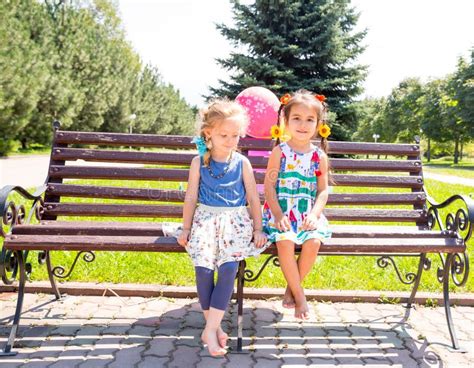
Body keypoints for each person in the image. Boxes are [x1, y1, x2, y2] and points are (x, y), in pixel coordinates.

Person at [177, 99, 268, 356]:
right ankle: (213, 328)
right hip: (205, 221)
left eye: (235, 135)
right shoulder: (199, 163)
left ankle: (210, 329)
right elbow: (191, 198)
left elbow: (252, 198)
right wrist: (185, 229)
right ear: (209, 133)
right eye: (223, 134)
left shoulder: (242, 163)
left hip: (235, 222)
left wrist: (258, 228)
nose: (230, 140)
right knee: (204, 269)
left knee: (228, 268)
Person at [263, 90, 332, 320]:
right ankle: (300, 297)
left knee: (313, 241)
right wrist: (277, 213)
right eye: (297, 119)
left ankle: (291, 287)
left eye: (310, 119)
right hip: (282, 212)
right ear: (286, 121)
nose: (303, 125)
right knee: (285, 242)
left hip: (306, 214)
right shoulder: (279, 152)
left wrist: (314, 214)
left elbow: (322, 190)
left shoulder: (318, 157)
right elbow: (269, 187)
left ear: (318, 123)